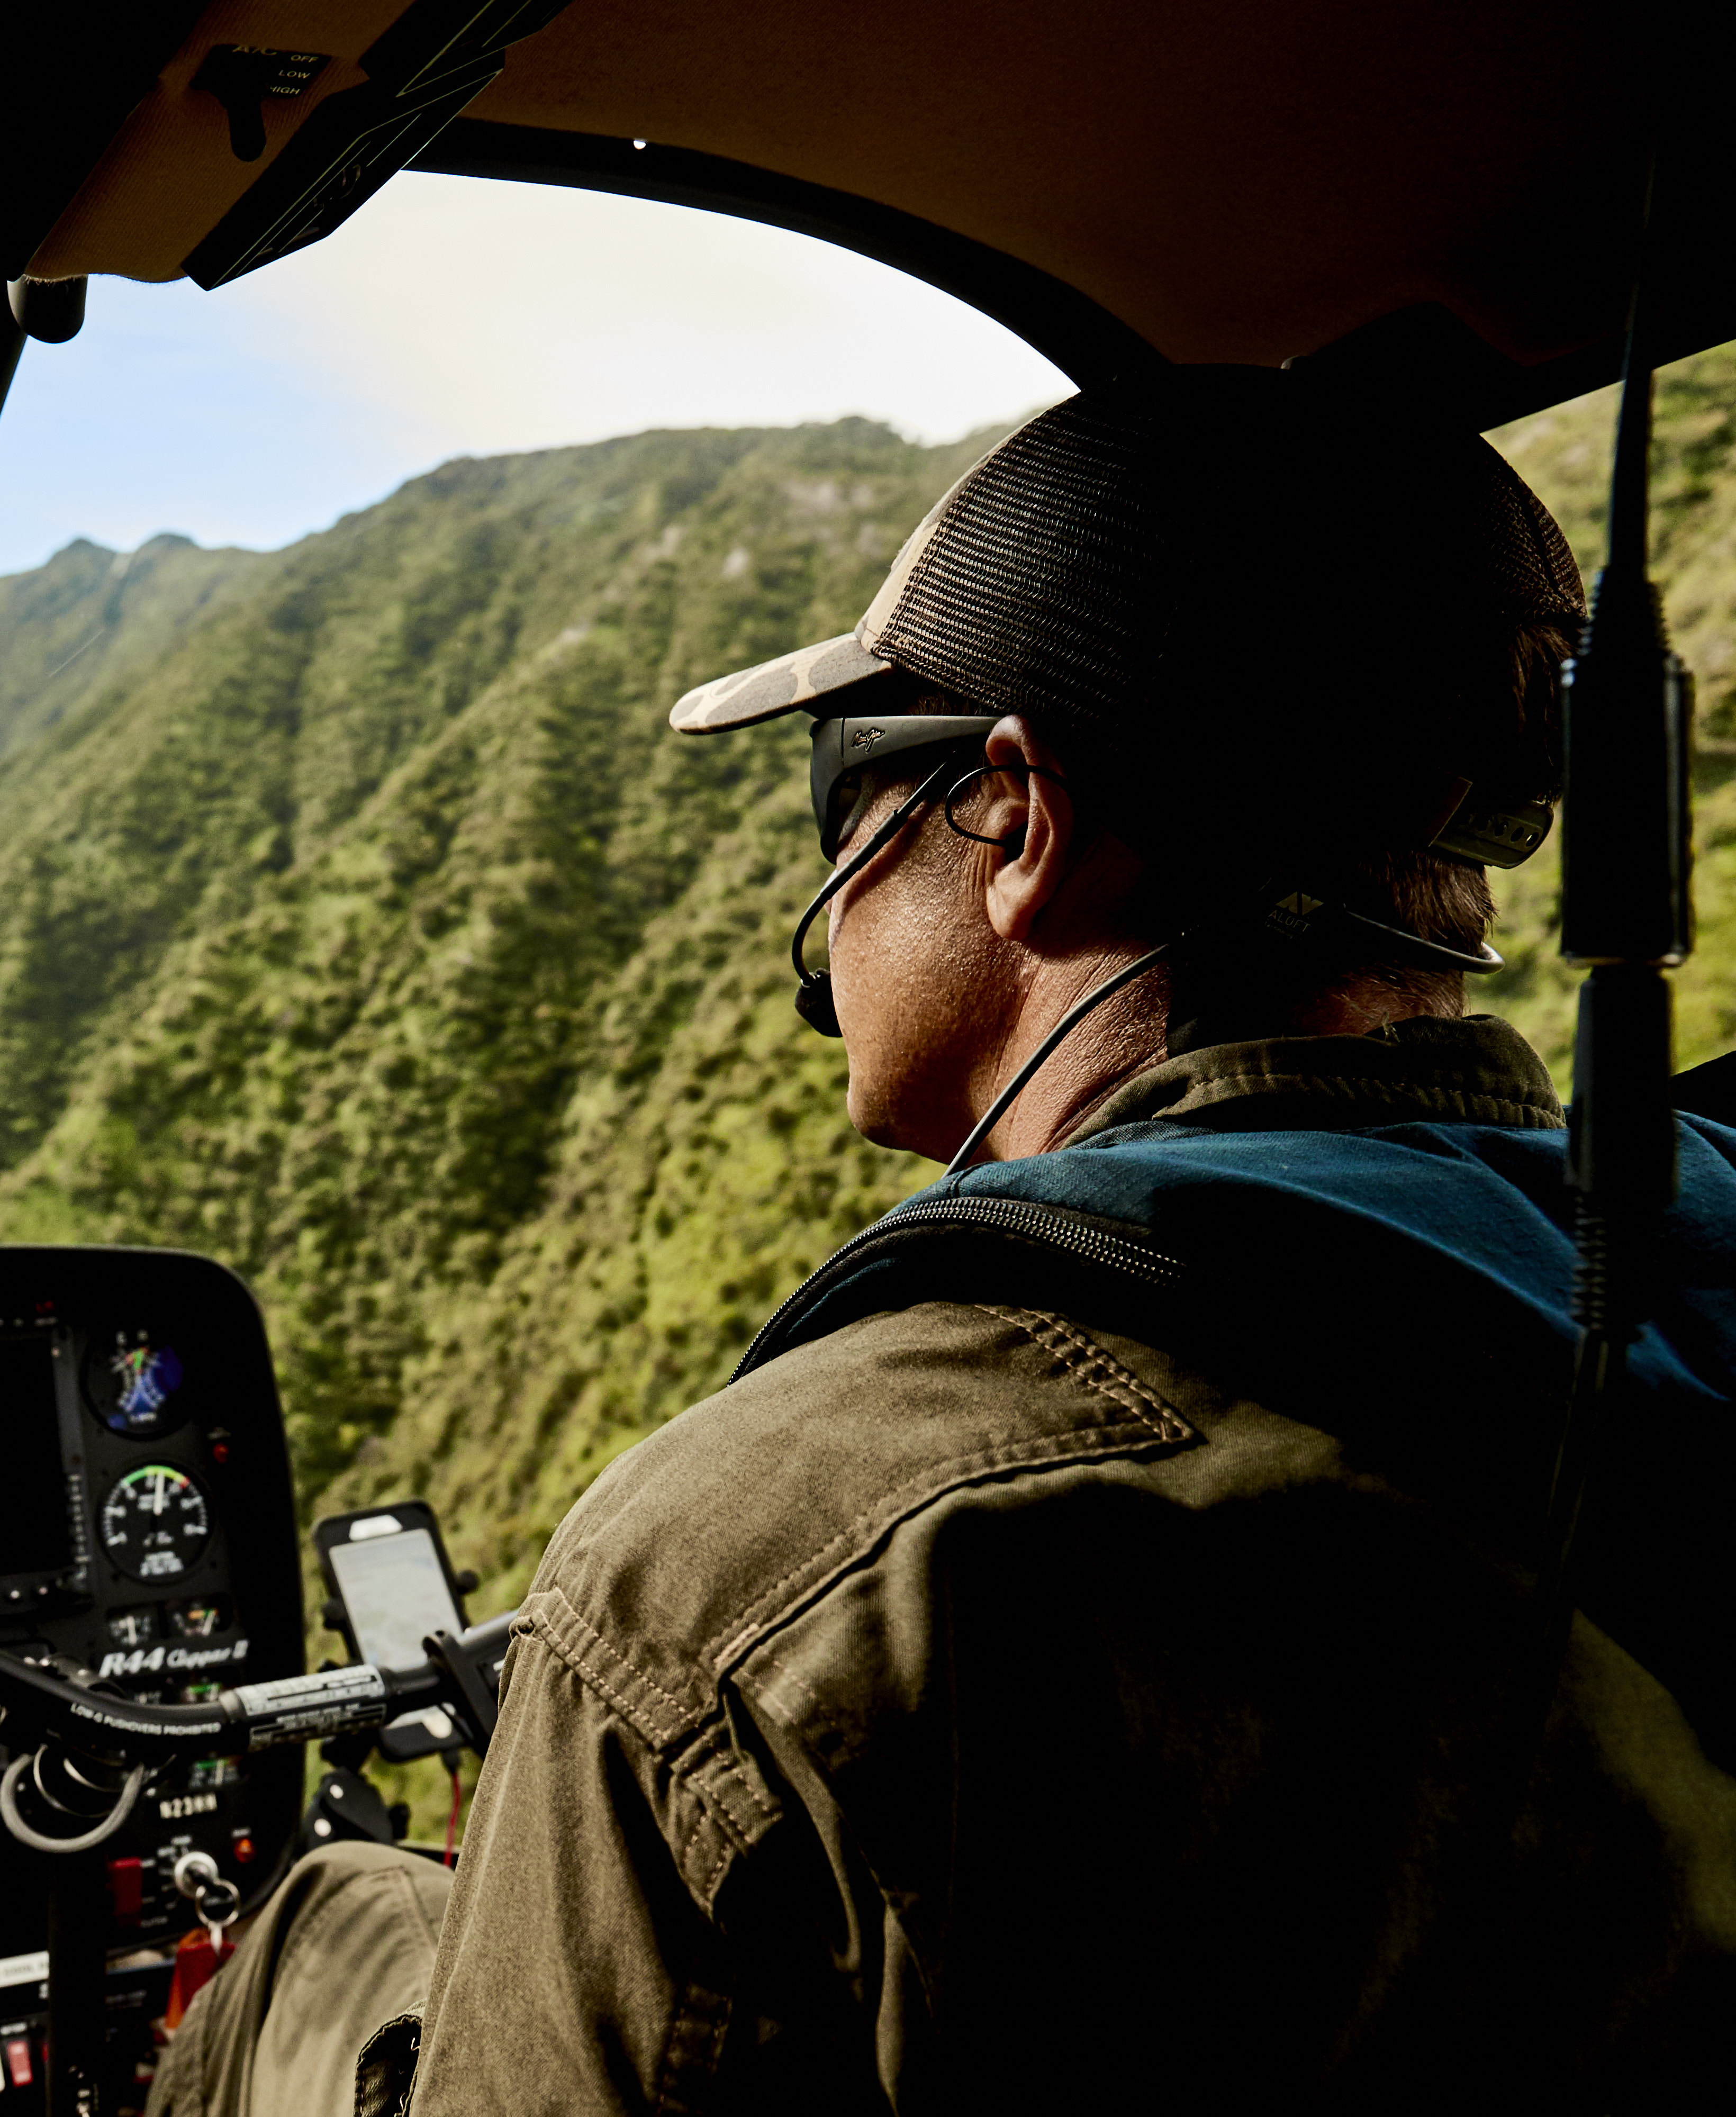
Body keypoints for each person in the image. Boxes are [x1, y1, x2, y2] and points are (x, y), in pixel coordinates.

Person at [155, 365, 1736, 2114]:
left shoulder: (752, 1575)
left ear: (1020, 822)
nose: (822, 897)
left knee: (308, 1934)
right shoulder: (1670, 1289)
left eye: (841, 794)